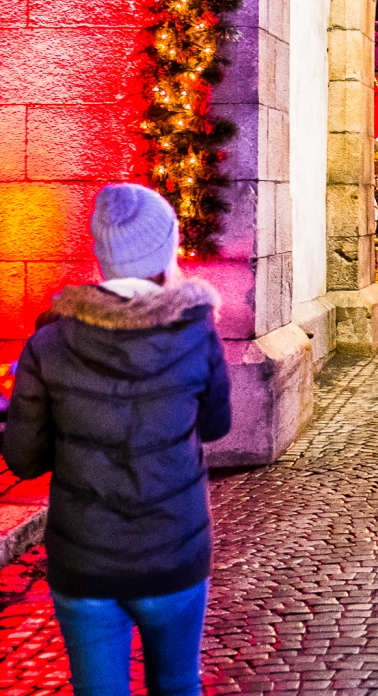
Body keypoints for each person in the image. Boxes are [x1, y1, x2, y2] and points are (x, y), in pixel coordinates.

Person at [3, 183, 231, 696]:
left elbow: (22, 458)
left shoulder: (49, 342)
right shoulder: (195, 331)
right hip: (173, 549)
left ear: (102, 256)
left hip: (85, 557)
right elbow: (217, 425)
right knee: (176, 685)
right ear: (167, 248)